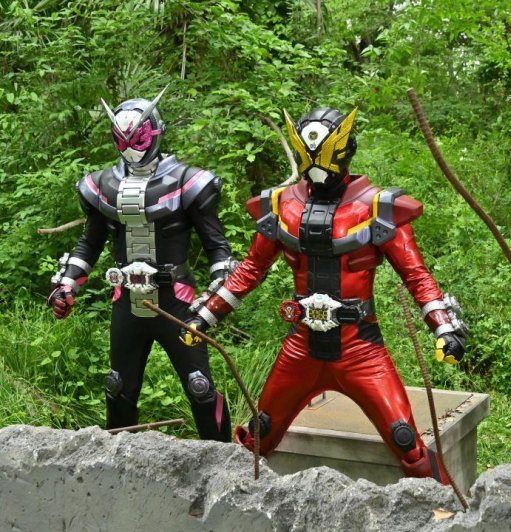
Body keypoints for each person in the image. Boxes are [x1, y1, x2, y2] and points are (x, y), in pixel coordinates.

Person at [183, 107, 467, 483]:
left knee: (405, 441)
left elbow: (415, 275)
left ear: (344, 149)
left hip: (360, 349)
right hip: (301, 348)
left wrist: (443, 326)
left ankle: (446, 508)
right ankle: (236, 501)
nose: (318, 166)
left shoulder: (378, 208)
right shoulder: (281, 205)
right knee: (257, 436)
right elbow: (251, 269)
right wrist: (205, 315)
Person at [47, 87, 235, 441]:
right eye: (123, 138)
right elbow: (90, 242)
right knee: (118, 387)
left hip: (176, 300)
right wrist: (67, 283)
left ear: (155, 132)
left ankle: (226, 459)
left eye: (139, 137)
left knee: (200, 386)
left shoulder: (189, 182)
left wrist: (218, 293)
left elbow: (217, 247)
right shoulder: (102, 184)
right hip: (127, 300)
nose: (132, 146)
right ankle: (119, 462)